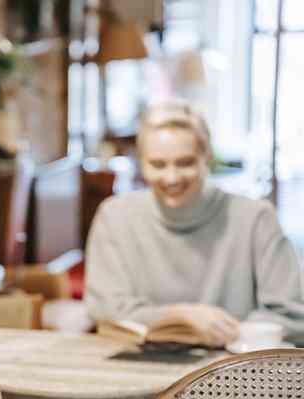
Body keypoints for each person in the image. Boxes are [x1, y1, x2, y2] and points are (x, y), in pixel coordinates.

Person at [85, 99, 304, 347]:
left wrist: (223, 331)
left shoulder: (256, 219)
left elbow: (294, 317)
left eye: (185, 163)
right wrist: (182, 316)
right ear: (141, 163)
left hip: (233, 371)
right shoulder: (114, 217)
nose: (172, 177)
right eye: (157, 164)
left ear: (206, 157)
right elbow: (104, 310)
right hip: (140, 366)